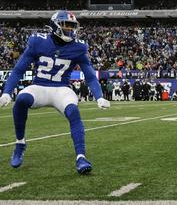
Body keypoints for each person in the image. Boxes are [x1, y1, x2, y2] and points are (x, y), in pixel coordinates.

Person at [0, 11, 110, 174]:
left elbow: (90, 76)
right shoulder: (38, 41)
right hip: (40, 87)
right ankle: (20, 143)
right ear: (55, 25)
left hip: (61, 89)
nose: (70, 30)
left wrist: (99, 97)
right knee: (22, 99)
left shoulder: (79, 47)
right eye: (66, 25)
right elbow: (18, 70)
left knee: (73, 111)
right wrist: (7, 92)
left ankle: (81, 157)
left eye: (72, 26)